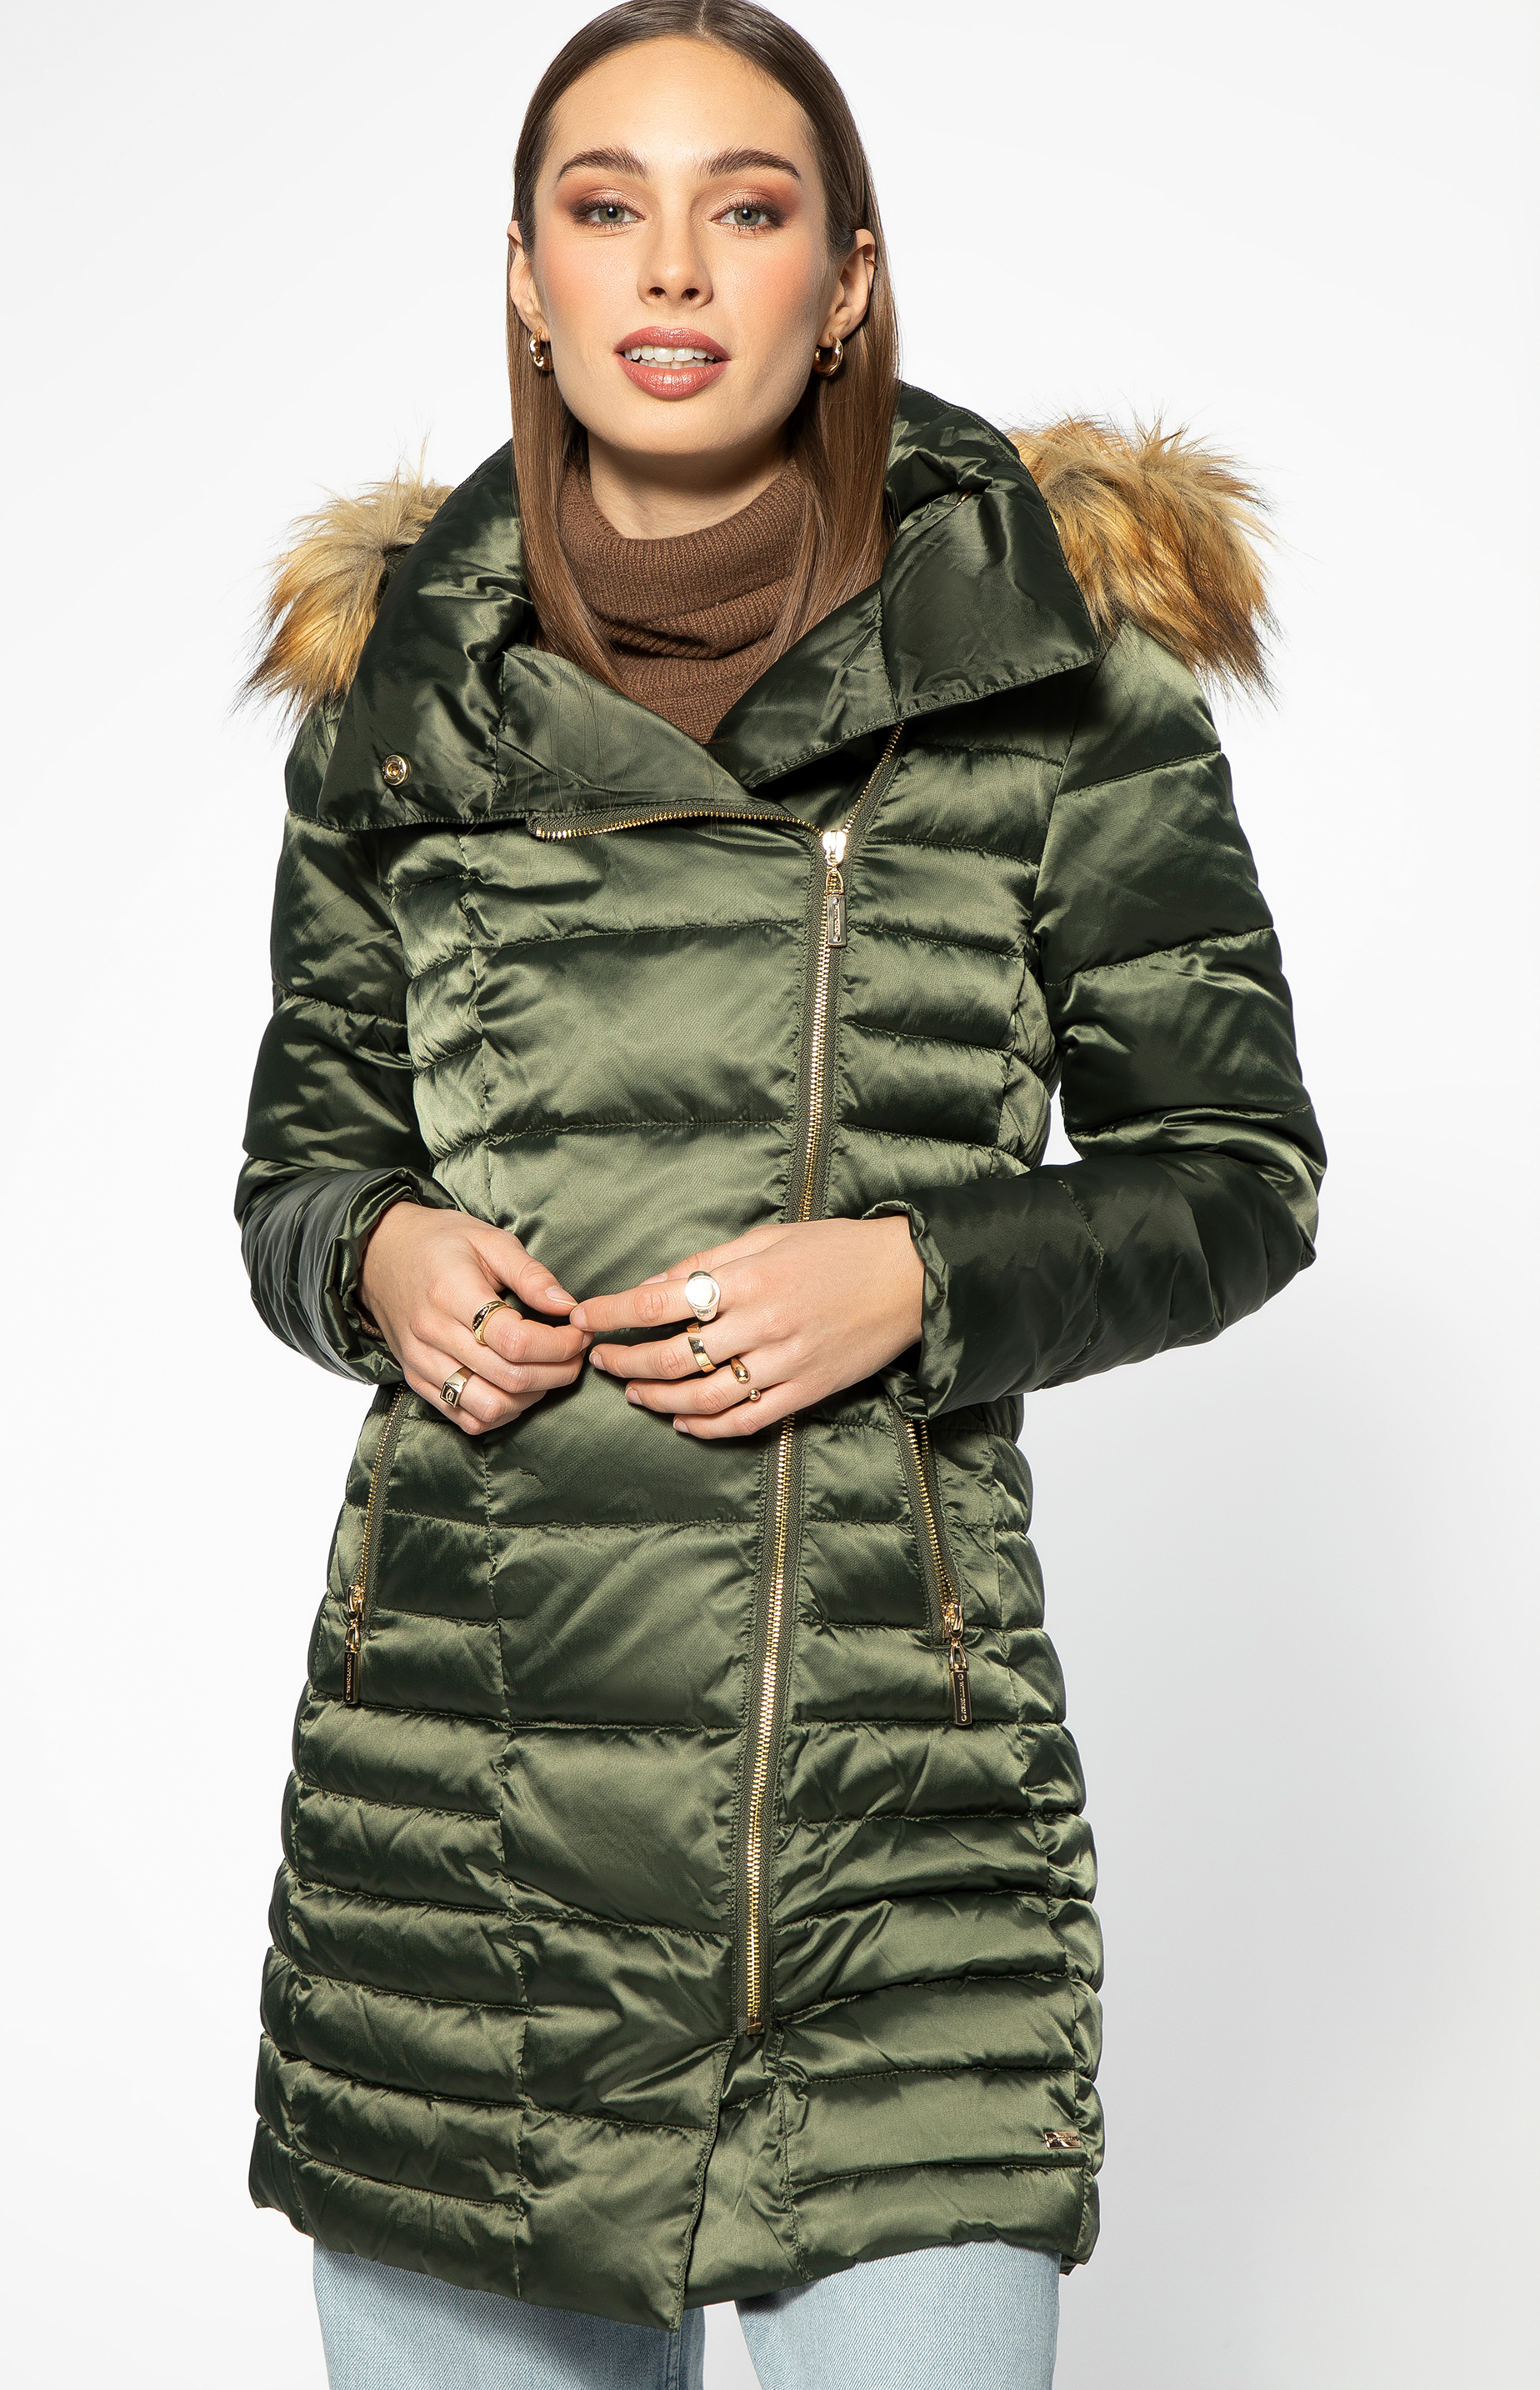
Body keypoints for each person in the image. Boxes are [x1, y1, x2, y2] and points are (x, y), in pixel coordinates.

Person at [235, 4, 1325, 2384]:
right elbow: (301, 1176)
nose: (672, 267)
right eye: (603, 204)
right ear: (524, 272)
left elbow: (1238, 1174)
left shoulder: (1056, 673)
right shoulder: (395, 700)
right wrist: (381, 1254)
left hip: (893, 1827)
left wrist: (921, 1273)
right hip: (469, 1828)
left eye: (746, 208)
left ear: (846, 279)